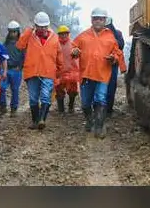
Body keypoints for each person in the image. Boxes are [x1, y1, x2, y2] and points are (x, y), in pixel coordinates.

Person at [71, 8, 127, 138]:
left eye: (101, 19)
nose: (98, 21)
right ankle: (90, 120)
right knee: (85, 102)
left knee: (101, 98)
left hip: (102, 74)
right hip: (87, 74)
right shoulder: (83, 35)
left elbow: (117, 52)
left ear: (104, 21)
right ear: (91, 20)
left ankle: (99, 126)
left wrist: (114, 58)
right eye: (95, 18)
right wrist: (74, 51)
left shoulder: (110, 37)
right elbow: (74, 46)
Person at [16, 11, 62, 130]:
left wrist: (59, 72)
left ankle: (42, 120)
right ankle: (35, 121)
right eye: (39, 26)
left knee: (46, 96)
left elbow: (59, 56)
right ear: (35, 25)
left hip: (48, 72)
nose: (42, 29)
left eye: (45, 26)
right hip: (32, 72)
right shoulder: (29, 36)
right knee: (33, 98)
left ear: (48, 26)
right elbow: (20, 45)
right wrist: (29, 30)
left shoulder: (55, 38)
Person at [0, 20, 25, 117]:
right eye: (10, 31)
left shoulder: (21, 43)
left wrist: (21, 66)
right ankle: (3, 106)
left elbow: (24, 56)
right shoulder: (5, 44)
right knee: (1, 87)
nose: (12, 33)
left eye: (14, 31)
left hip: (16, 70)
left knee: (15, 90)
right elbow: (1, 55)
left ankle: (14, 109)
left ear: (18, 31)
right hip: (6, 69)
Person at [54, 25, 80, 114]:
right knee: (59, 91)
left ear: (68, 34)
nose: (63, 35)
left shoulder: (73, 44)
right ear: (59, 34)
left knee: (73, 91)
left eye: (65, 33)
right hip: (59, 72)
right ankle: (61, 109)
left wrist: (76, 52)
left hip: (71, 71)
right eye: (61, 34)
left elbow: (78, 54)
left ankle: (71, 107)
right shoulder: (55, 44)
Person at [104, 16, 125, 116]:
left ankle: (108, 109)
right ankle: (102, 108)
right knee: (102, 87)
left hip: (112, 64)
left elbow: (121, 46)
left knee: (110, 87)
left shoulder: (117, 34)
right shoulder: (98, 34)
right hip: (102, 64)